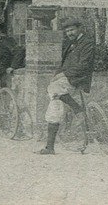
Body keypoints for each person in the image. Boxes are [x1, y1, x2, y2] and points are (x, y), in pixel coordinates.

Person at [39, 17, 96, 155]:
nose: (69, 33)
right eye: (67, 31)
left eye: (72, 30)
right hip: (68, 77)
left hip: (79, 78)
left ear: (79, 29)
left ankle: (77, 108)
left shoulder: (87, 43)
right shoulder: (71, 43)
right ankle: (50, 147)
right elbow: (64, 64)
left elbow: (84, 66)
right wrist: (58, 74)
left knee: (54, 90)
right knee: (54, 100)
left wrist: (62, 75)